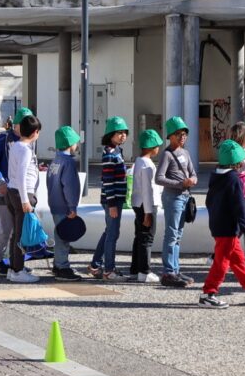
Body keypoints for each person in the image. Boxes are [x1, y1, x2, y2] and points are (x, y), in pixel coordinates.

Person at [199, 140, 245, 308]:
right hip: (229, 228)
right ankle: (208, 293)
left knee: (238, 261)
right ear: (237, 162)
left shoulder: (216, 175)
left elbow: (209, 201)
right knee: (221, 263)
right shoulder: (234, 179)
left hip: (217, 225)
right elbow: (240, 208)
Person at [0, 106, 32, 277]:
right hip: (3, 189)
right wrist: (0, 180)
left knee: (19, 228)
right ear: (16, 125)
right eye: (25, 124)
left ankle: (16, 263)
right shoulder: (2, 140)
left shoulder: (26, 142)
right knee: (6, 227)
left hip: (18, 190)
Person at [156, 116, 198, 287]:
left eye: (184, 134)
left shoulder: (185, 153)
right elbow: (159, 178)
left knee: (178, 235)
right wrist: (181, 184)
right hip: (173, 197)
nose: (182, 137)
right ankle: (168, 271)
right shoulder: (167, 155)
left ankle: (175, 269)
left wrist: (193, 180)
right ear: (170, 136)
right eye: (179, 134)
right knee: (171, 234)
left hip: (184, 196)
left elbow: (193, 172)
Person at [88, 116, 130, 282]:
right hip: (112, 200)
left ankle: (95, 265)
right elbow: (108, 180)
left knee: (109, 232)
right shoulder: (109, 154)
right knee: (113, 234)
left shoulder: (118, 151)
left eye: (124, 132)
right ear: (110, 135)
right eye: (119, 133)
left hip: (116, 199)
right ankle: (109, 270)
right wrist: (112, 203)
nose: (122, 136)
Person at [7, 113, 42, 283]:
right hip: (23, 194)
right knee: (22, 234)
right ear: (35, 132)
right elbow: (21, 175)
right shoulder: (26, 150)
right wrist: (25, 200)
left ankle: (13, 267)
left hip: (12, 191)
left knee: (16, 232)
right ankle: (18, 270)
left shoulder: (15, 145)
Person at [48, 125, 83, 281]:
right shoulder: (68, 162)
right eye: (75, 142)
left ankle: (57, 263)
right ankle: (62, 266)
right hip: (65, 206)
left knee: (59, 234)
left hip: (54, 204)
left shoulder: (55, 160)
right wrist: (72, 207)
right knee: (64, 238)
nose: (76, 145)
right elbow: (70, 186)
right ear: (70, 144)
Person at [130, 129, 163, 284]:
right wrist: (148, 213)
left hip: (138, 203)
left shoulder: (138, 161)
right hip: (147, 205)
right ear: (151, 147)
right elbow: (147, 190)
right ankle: (144, 271)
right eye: (157, 145)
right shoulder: (147, 165)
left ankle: (135, 269)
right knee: (147, 238)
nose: (158, 149)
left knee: (139, 237)